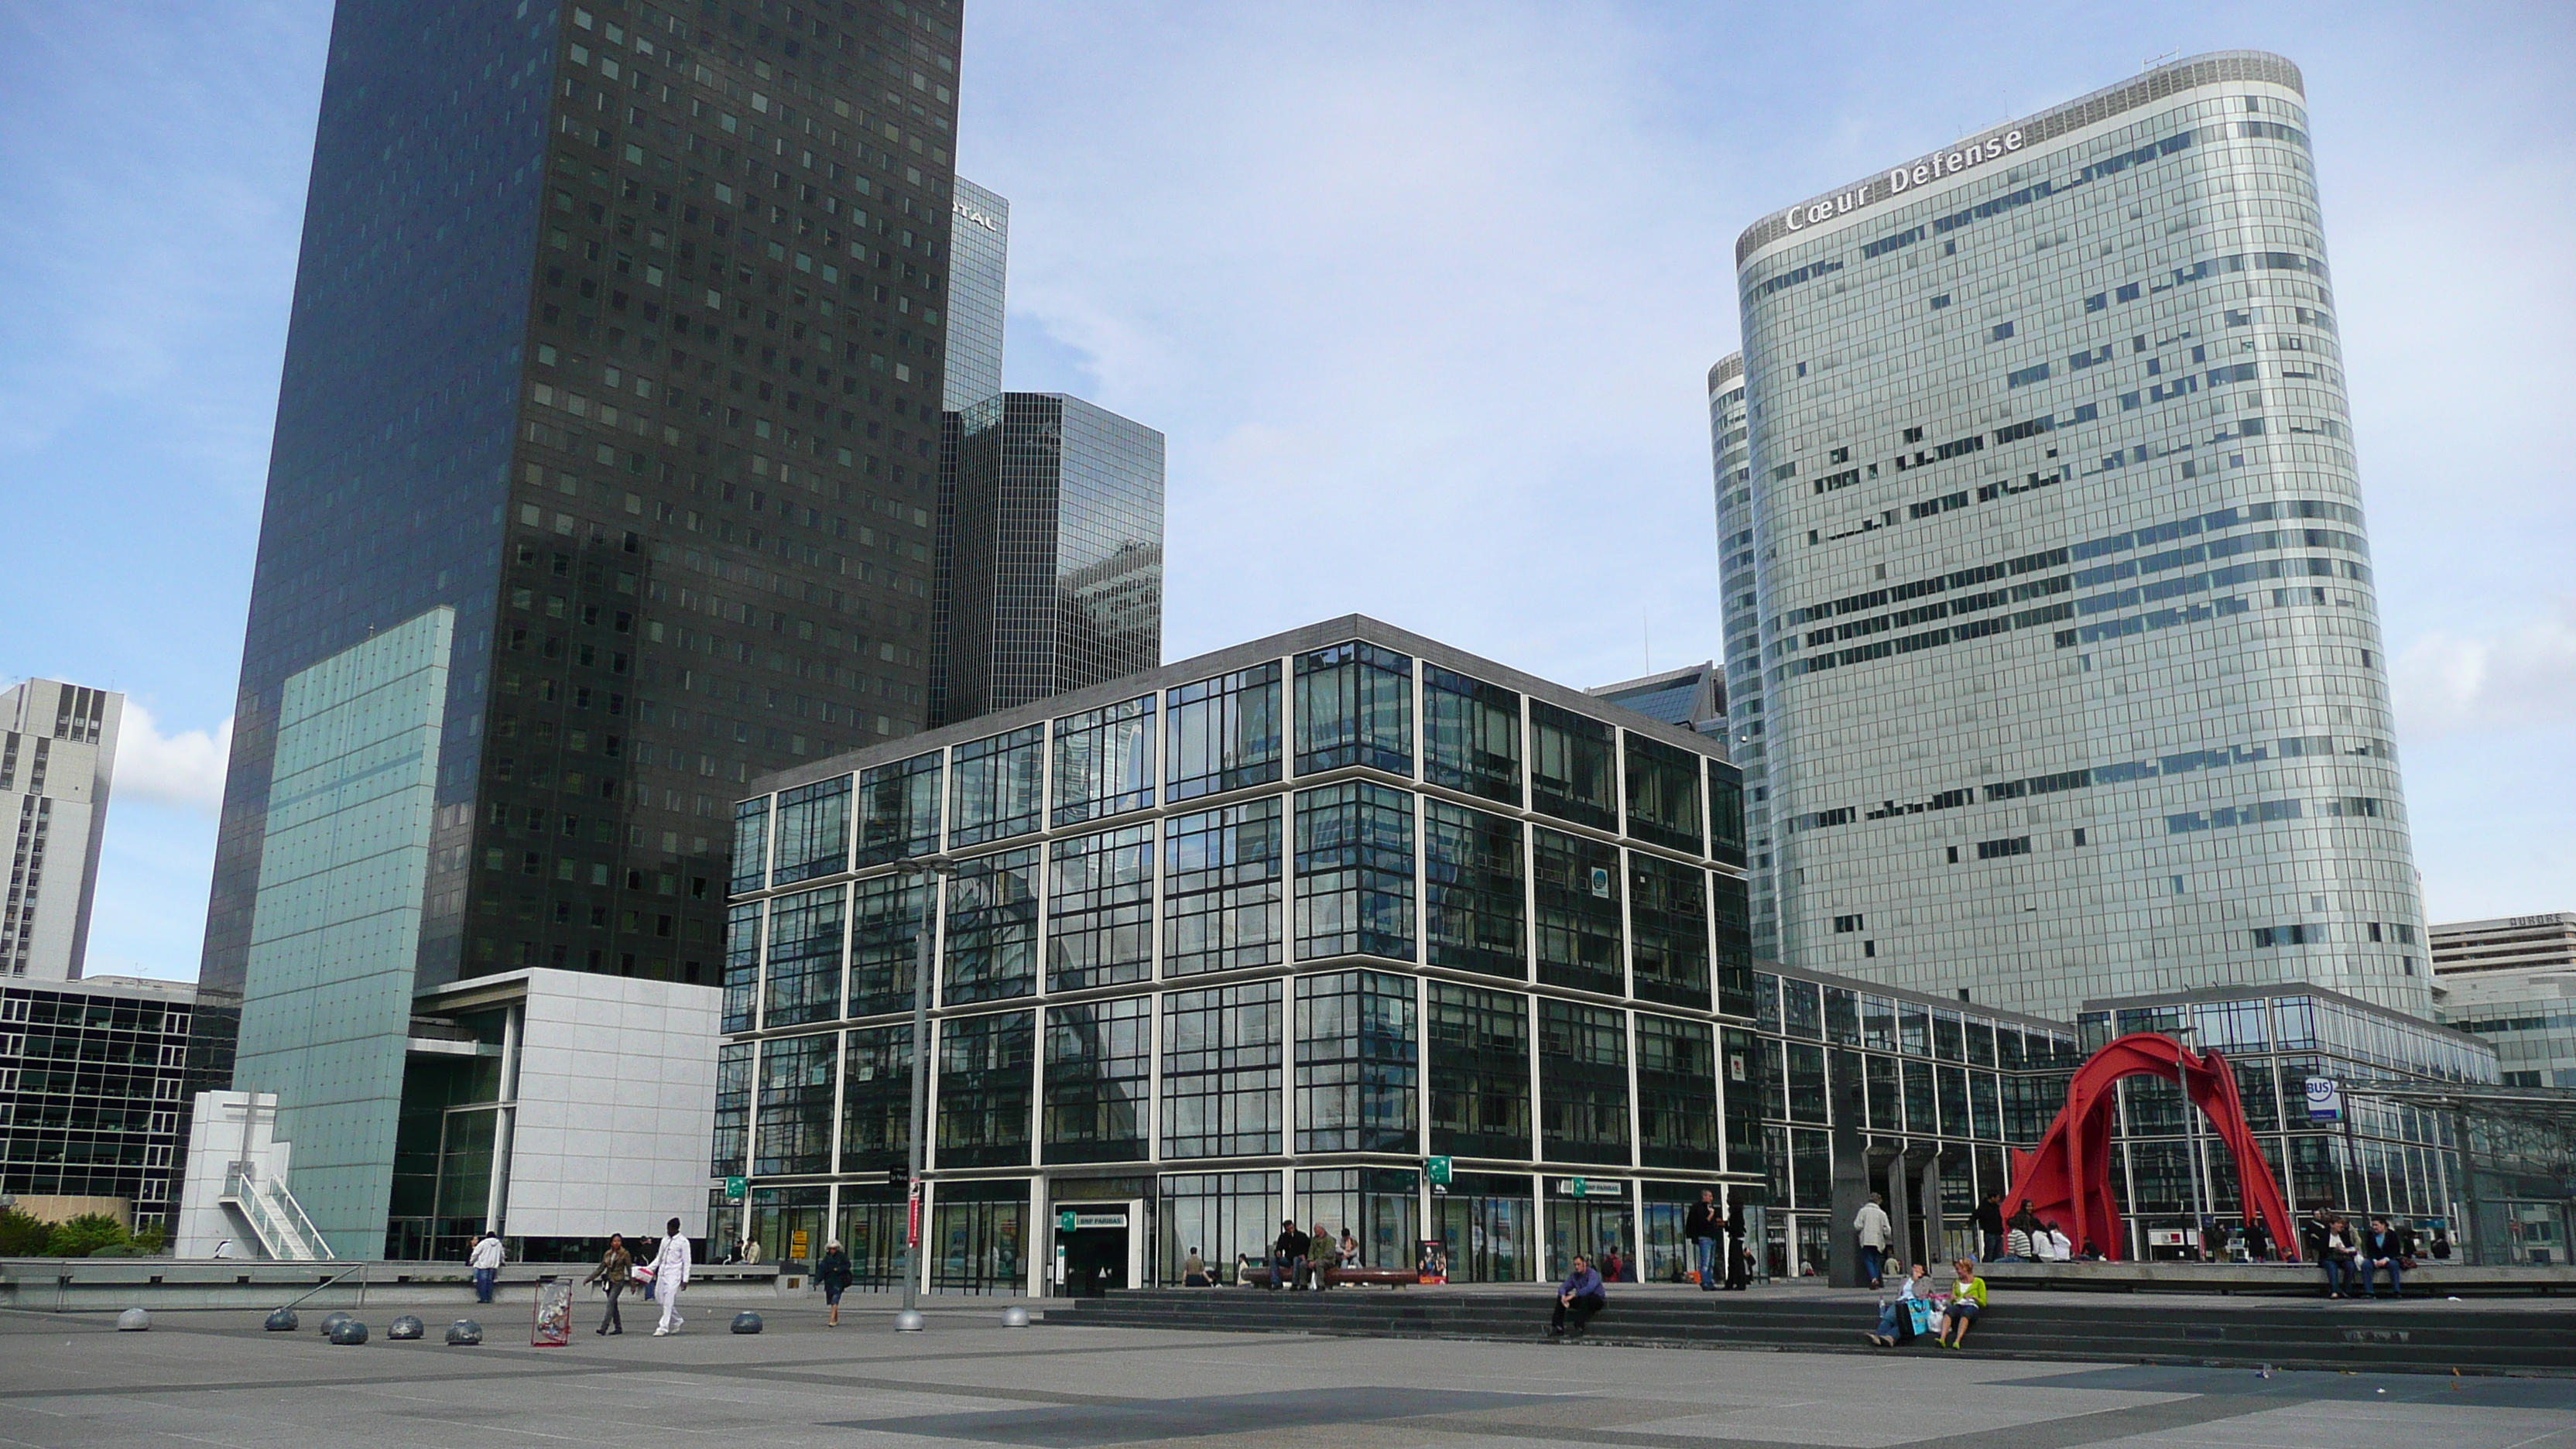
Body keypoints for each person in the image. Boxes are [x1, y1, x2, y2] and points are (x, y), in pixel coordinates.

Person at [1867, 1262, 1934, 1347]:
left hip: (1913, 1305)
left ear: (1923, 1271)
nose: (1915, 1269)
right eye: (1914, 1267)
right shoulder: (1906, 1279)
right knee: (1889, 1318)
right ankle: (1879, 1336)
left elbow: (1924, 1294)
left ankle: (1890, 1337)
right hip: (1901, 1302)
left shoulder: (1926, 1281)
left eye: (1918, 1268)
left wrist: (1917, 1281)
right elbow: (1900, 1293)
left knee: (1903, 1321)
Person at [651, 1216, 693, 1335]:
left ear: (675, 1229)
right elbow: (659, 1258)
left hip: (674, 1274)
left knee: (669, 1300)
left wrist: (685, 1279)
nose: (668, 1231)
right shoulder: (665, 1240)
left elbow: (687, 1261)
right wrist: (649, 1269)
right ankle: (678, 1320)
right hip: (662, 1272)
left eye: (670, 1229)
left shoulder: (683, 1242)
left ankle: (663, 1327)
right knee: (660, 1298)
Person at [1549, 1253, 1606, 1337]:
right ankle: (1558, 1327)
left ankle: (1579, 1327)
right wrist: (1563, 1296)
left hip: (1596, 1299)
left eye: (1578, 1264)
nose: (1576, 1267)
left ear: (1584, 1264)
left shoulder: (1592, 1274)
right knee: (1561, 1299)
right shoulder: (1574, 1276)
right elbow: (1563, 1287)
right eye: (1575, 1265)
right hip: (1582, 1298)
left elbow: (1590, 1288)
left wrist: (1573, 1295)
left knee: (1585, 1298)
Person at [587, 1233, 633, 1336]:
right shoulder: (608, 1254)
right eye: (615, 1241)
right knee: (613, 1305)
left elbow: (629, 1269)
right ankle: (618, 1327)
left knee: (610, 1303)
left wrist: (632, 1283)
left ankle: (604, 1328)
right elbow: (601, 1268)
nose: (617, 1243)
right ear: (611, 1243)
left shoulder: (625, 1253)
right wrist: (589, 1279)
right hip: (609, 1281)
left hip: (618, 1281)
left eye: (619, 1241)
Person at [1937, 1258, 1989, 1348]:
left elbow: (1984, 1302)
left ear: (1965, 1268)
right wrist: (1952, 1298)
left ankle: (1957, 1340)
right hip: (1959, 1305)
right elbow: (1953, 1299)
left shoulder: (1979, 1282)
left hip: (1971, 1305)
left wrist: (1973, 1297)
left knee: (1966, 1313)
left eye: (1958, 1269)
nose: (1957, 1272)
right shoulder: (1956, 1282)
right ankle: (1942, 1338)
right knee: (1948, 1312)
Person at [1686, 1190, 1723, 1291]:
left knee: (1711, 1263)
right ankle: (1705, 1283)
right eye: (1710, 1196)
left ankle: (1710, 1281)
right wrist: (1711, 1215)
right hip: (1704, 1238)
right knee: (1705, 1262)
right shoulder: (1699, 1208)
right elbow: (1702, 1223)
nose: (1711, 1199)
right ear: (1704, 1197)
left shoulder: (1711, 1207)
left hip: (1712, 1237)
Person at [1854, 1193, 1893, 1289]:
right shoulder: (1882, 1213)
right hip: (1878, 1241)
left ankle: (1874, 1279)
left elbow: (1857, 1225)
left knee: (1868, 1259)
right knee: (1876, 1260)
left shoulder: (1863, 1211)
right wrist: (1888, 1237)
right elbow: (1887, 1229)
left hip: (1867, 1239)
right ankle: (1876, 1279)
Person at [2359, 1217, 2403, 1300]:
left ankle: (2396, 1291)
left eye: (2376, 1225)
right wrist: (2374, 1260)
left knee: (2394, 1265)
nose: (2374, 1227)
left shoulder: (2392, 1234)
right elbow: (2369, 1250)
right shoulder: (2370, 1235)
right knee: (2366, 1265)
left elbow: (2395, 1250)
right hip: (2376, 1259)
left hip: (2389, 1258)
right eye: (2373, 1225)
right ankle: (2369, 1292)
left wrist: (2386, 1259)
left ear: (2383, 1225)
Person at [818, 1239, 853, 1327]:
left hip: (839, 1282)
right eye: (831, 1249)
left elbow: (848, 1265)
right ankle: (836, 1319)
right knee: (832, 1302)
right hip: (829, 1282)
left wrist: (839, 1269)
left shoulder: (842, 1257)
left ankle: (832, 1320)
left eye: (834, 1249)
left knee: (835, 1300)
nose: (832, 1250)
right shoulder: (826, 1259)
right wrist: (817, 1281)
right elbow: (821, 1270)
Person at [1722, 1190, 1752, 1290]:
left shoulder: (1735, 1212)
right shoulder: (1738, 1211)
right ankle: (1735, 1283)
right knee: (1736, 1262)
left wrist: (1726, 1226)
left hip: (1736, 1238)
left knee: (1735, 1262)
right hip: (1737, 1238)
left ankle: (1736, 1284)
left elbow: (1735, 1226)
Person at [1272, 1219, 1310, 1290]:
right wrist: (1278, 1252)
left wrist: (1305, 1255)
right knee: (1274, 1260)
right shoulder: (1283, 1237)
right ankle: (1276, 1282)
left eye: (1292, 1228)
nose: (1291, 1231)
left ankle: (1295, 1283)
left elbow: (1308, 1247)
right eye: (1288, 1229)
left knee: (1296, 1259)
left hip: (1298, 1258)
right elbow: (1278, 1248)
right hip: (1289, 1259)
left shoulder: (1301, 1236)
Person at [1303, 1221, 1342, 1290]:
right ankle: (1303, 1284)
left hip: (1328, 1260)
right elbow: (1311, 1251)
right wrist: (1310, 1260)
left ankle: (1320, 1285)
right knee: (1303, 1264)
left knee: (1319, 1264)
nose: (1314, 1231)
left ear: (1322, 1229)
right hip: (1315, 1260)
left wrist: (1316, 1261)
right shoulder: (1314, 1240)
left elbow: (1328, 1254)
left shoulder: (1330, 1240)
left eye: (1316, 1229)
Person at [470, 1230, 505, 1303]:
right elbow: (502, 1254)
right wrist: (502, 1262)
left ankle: (483, 1298)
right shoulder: (499, 1244)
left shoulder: (483, 1243)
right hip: (494, 1266)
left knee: (482, 1282)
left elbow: (475, 1253)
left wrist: (471, 1261)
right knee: (490, 1282)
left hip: (483, 1265)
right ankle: (489, 1298)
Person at [1975, 1194, 2007, 1265]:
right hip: (1990, 1233)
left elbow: (1999, 1219)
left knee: (1999, 1253)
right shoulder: (1984, 1206)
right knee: (1990, 1253)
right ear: (1992, 1197)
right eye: (1997, 1197)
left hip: (1998, 1233)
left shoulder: (1996, 1207)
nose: (1998, 1199)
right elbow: (1976, 1215)